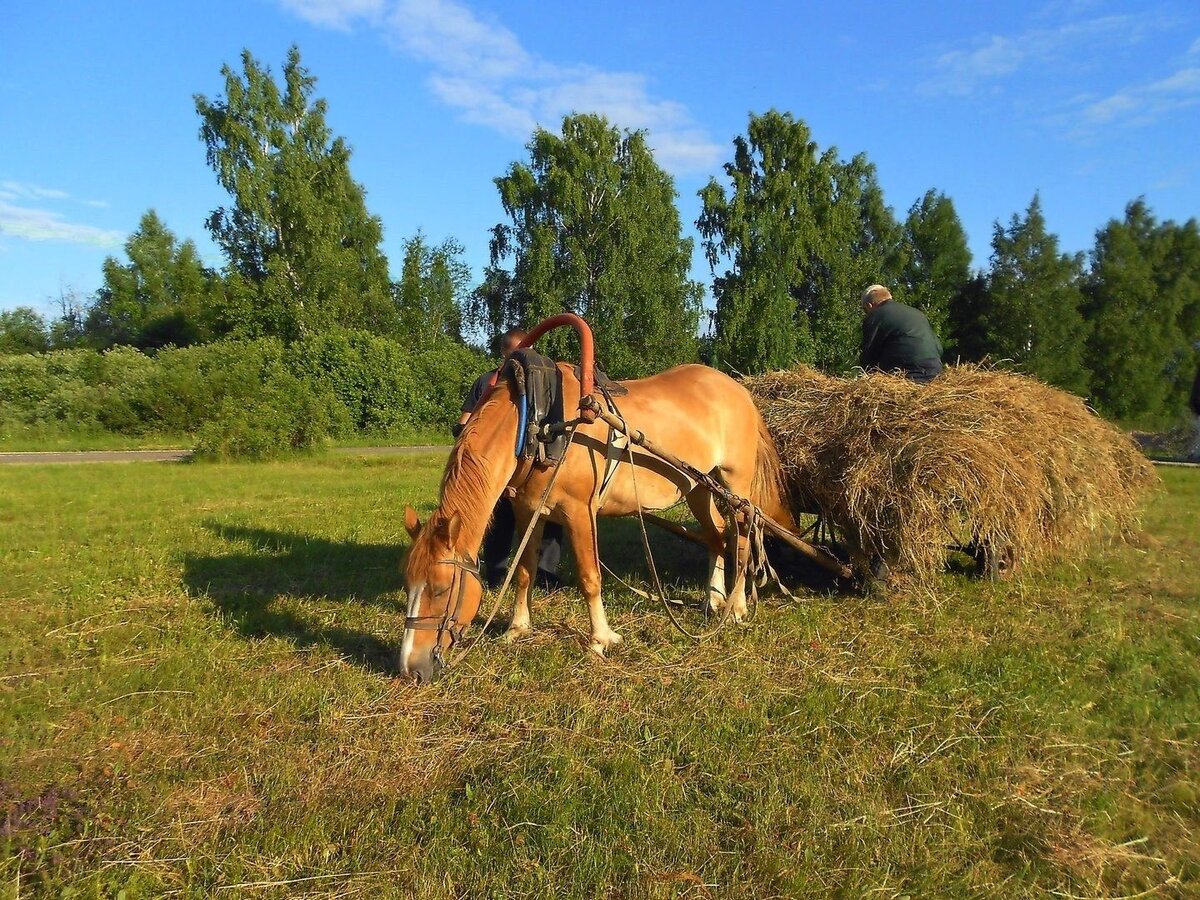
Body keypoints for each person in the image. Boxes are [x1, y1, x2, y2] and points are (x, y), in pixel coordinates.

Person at [457, 327, 564, 590]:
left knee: (538, 517)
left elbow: (463, 423)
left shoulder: (532, 383)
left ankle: (522, 576)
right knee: (510, 517)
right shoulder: (491, 383)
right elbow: (464, 422)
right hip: (513, 465)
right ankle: (511, 576)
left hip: (528, 462)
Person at [858, 284, 943, 383]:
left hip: (907, 374)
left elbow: (869, 354)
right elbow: (939, 348)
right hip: (934, 371)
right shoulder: (917, 313)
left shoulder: (876, 315)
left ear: (869, 305)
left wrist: (865, 381)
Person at [1188, 362, 1200, 461]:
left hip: (1196, 406)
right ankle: (1195, 455)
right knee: (1198, 433)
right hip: (1197, 407)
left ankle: (1195, 454)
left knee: (1197, 433)